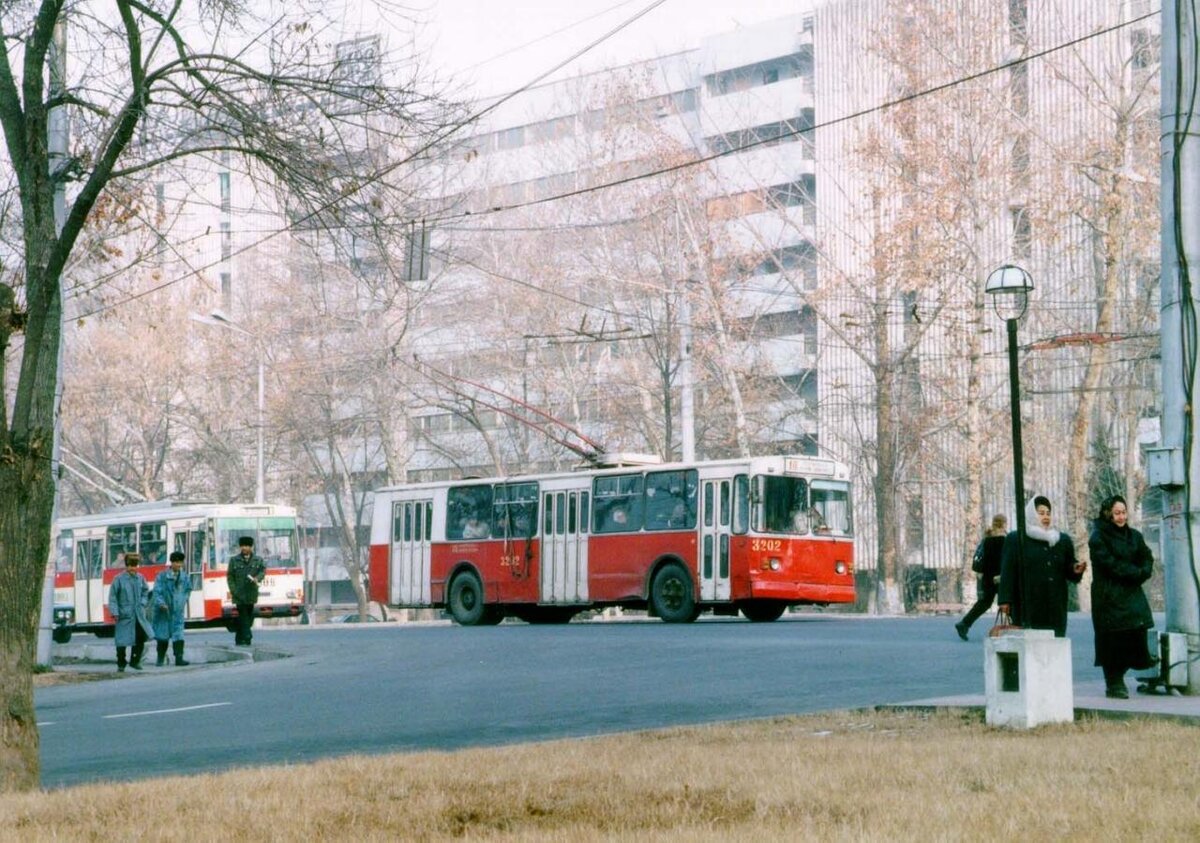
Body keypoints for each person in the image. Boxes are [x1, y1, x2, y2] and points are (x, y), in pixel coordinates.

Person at [1089, 494, 1156, 699]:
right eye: (1117, 513)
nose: (1121, 517)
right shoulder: (1098, 537)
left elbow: (1147, 557)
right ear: (1108, 514)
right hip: (1108, 596)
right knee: (1112, 640)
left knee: (1135, 635)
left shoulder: (1134, 535)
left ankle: (1122, 675)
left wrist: (1143, 571)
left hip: (1131, 594)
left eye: (1124, 512)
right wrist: (1135, 573)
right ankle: (1114, 683)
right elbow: (1110, 564)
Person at [998, 495, 1087, 638]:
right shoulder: (1017, 539)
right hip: (1027, 605)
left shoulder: (1061, 540)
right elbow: (1008, 571)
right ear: (1031, 514)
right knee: (1030, 646)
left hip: (1055, 604)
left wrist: (1075, 569)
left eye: (1048, 513)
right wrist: (1005, 600)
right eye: (1041, 513)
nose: (1046, 517)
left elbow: (1068, 567)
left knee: (1055, 644)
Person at [954, 514, 1008, 641]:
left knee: (984, 603)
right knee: (1009, 602)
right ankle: (1019, 627)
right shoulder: (1006, 540)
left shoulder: (986, 539)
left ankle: (964, 623)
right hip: (1002, 576)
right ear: (1004, 524)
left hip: (987, 577)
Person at [107, 552, 153, 672]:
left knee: (140, 638)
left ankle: (135, 661)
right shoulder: (118, 579)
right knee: (121, 641)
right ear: (126, 565)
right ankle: (121, 663)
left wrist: (143, 604)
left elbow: (145, 592)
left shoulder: (140, 578)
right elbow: (113, 598)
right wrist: (115, 612)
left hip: (138, 615)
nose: (133, 568)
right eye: (130, 565)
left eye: (135, 565)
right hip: (124, 615)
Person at [152, 551, 192, 666]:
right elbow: (157, 592)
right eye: (176, 562)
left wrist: (183, 600)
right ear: (172, 563)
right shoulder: (162, 576)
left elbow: (188, 590)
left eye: (181, 563)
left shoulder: (184, 577)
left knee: (178, 635)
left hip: (177, 612)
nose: (179, 565)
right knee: (162, 636)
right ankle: (160, 658)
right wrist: (161, 604)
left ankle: (179, 658)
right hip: (163, 612)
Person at [227, 536, 266, 646]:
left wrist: (257, 578)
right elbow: (230, 576)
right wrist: (233, 590)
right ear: (240, 547)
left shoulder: (258, 560)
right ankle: (248, 636)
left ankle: (239, 638)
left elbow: (263, 571)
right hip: (239, 594)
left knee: (248, 616)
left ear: (251, 547)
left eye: (247, 546)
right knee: (243, 614)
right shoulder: (234, 560)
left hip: (251, 593)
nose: (245, 548)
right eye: (243, 546)